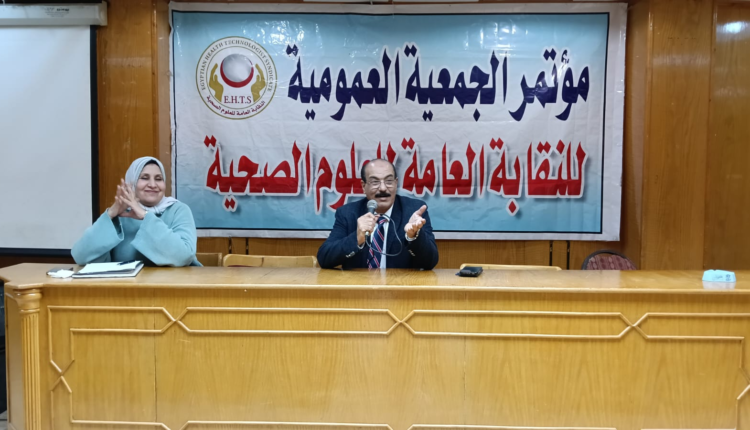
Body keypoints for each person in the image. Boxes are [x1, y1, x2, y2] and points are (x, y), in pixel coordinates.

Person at [72, 157, 201, 267]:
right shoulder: (122, 214)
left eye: (158, 179)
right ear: (130, 183)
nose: (153, 184)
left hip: (174, 286)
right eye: (144, 178)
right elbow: (81, 256)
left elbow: (184, 256)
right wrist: (110, 214)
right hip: (129, 287)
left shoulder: (178, 210)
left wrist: (145, 216)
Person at [317, 159, 439, 270]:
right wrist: (357, 238)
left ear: (396, 183)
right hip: (359, 285)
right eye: (375, 182)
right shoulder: (348, 213)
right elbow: (324, 259)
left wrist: (413, 237)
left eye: (389, 181)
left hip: (400, 284)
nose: (383, 188)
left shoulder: (413, 211)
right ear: (364, 186)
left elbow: (430, 262)